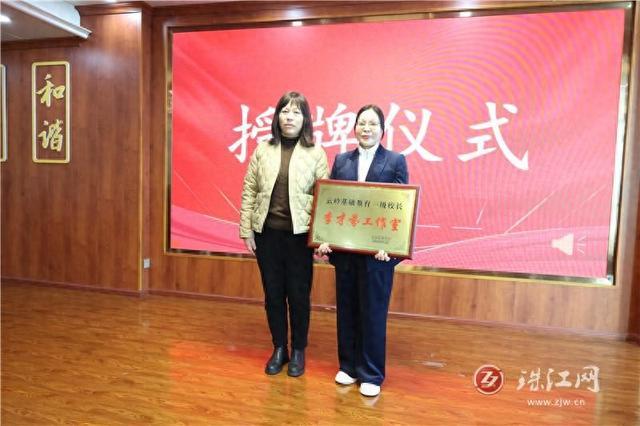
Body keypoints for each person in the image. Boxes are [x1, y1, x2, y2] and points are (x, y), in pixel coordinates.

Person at [317, 104, 408, 397]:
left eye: (372, 124)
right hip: (346, 253)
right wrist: (325, 237)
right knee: (347, 309)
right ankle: (348, 366)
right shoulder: (342, 160)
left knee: (373, 312)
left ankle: (371, 373)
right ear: (354, 128)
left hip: (377, 256)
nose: (366, 129)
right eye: (361, 123)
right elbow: (332, 203)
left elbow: (399, 210)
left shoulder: (395, 161)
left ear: (382, 130)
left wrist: (390, 247)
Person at [239, 91, 329, 377]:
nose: (289, 117)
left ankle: (299, 349)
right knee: (273, 294)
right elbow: (249, 190)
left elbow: (324, 198)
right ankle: (279, 347)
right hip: (267, 235)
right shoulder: (262, 150)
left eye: (296, 112)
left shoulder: (315, 153)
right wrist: (246, 229)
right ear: (277, 116)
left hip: (299, 238)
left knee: (299, 296)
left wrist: (321, 236)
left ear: (305, 119)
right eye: (285, 111)